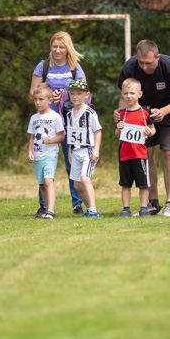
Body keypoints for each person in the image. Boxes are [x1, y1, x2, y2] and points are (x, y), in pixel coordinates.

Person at [115, 40, 170, 217]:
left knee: (169, 153)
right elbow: (124, 97)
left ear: (158, 57)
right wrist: (122, 115)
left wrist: (163, 111)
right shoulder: (129, 68)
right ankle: (153, 203)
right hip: (140, 114)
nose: (145, 67)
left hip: (169, 111)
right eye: (141, 63)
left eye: (149, 63)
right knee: (145, 154)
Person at [29, 31, 86, 216]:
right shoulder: (43, 66)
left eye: (62, 47)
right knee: (43, 162)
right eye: (55, 46)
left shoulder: (74, 67)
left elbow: (84, 92)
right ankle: (44, 205)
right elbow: (33, 92)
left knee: (72, 163)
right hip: (46, 123)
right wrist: (49, 95)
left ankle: (77, 204)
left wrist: (66, 95)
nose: (58, 50)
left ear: (68, 48)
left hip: (70, 122)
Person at [116, 79, 156, 218]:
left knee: (143, 184)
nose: (129, 96)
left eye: (132, 93)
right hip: (125, 154)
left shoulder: (145, 113)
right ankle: (125, 208)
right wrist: (118, 128)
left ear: (140, 94)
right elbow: (118, 135)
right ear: (122, 94)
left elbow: (152, 129)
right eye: (126, 93)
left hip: (140, 154)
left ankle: (143, 208)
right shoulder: (122, 114)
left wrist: (149, 132)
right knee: (125, 184)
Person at [27, 83, 65, 220]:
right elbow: (31, 137)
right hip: (38, 156)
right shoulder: (33, 118)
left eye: (41, 99)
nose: (38, 102)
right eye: (35, 99)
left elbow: (61, 136)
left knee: (48, 181)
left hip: (50, 154)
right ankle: (45, 209)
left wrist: (50, 141)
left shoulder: (55, 117)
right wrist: (30, 152)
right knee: (42, 183)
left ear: (49, 100)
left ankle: (51, 211)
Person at [64, 79, 102, 218]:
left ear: (86, 95)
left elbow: (98, 131)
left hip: (88, 150)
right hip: (75, 151)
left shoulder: (90, 113)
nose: (75, 97)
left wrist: (96, 149)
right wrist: (70, 150)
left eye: (79, 94)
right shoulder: (69, 114)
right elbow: (71, 134)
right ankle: (89, 208)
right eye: (72, 93)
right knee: (77, 185)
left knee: (85, 179)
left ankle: (93, 209)